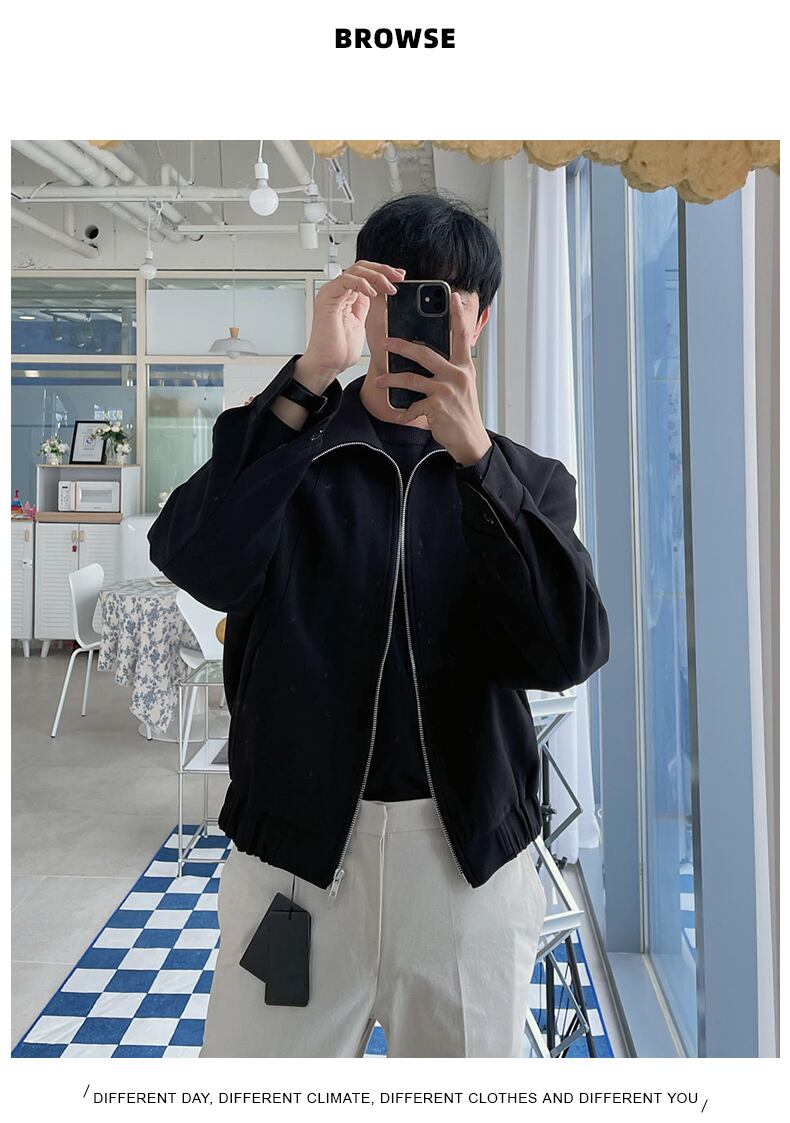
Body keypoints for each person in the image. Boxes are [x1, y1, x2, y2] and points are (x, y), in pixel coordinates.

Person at [147, 191, 610, 1058]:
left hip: (465, 862)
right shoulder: (290, 452)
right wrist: (307, 378)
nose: (421, 315)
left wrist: (479, 464)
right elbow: (197, 560)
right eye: (402, 291)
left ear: (481, 319)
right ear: (363, 302)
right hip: (294, 860)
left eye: (448, 296)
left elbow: (566, 649)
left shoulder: (527, 481)